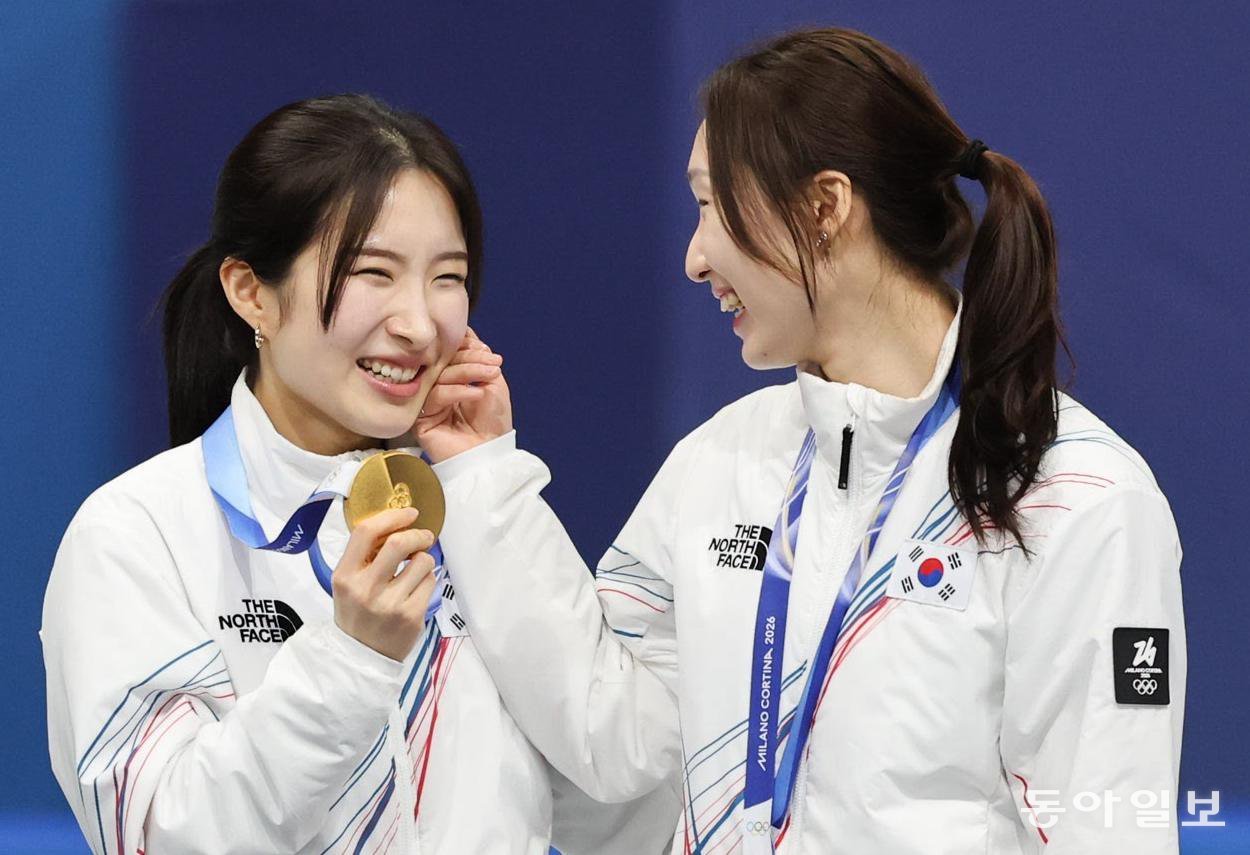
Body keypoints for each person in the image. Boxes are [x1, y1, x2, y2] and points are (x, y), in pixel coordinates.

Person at [416, 28, 1186, 854]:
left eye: (711, 204)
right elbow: (614, 746)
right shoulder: (719, 462)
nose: (694, 256)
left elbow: (1111, 831)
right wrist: (480, 479)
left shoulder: (1079, 498)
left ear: (824, 208)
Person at [42, 94, 676, 855]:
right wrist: (350, 658)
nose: (417, 322)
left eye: (448, 276)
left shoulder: (472, 511)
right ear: (251, 292)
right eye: (374, 273)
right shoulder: (138, 534)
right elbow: (163, 835)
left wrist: (488, 486)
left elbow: (622, 786)